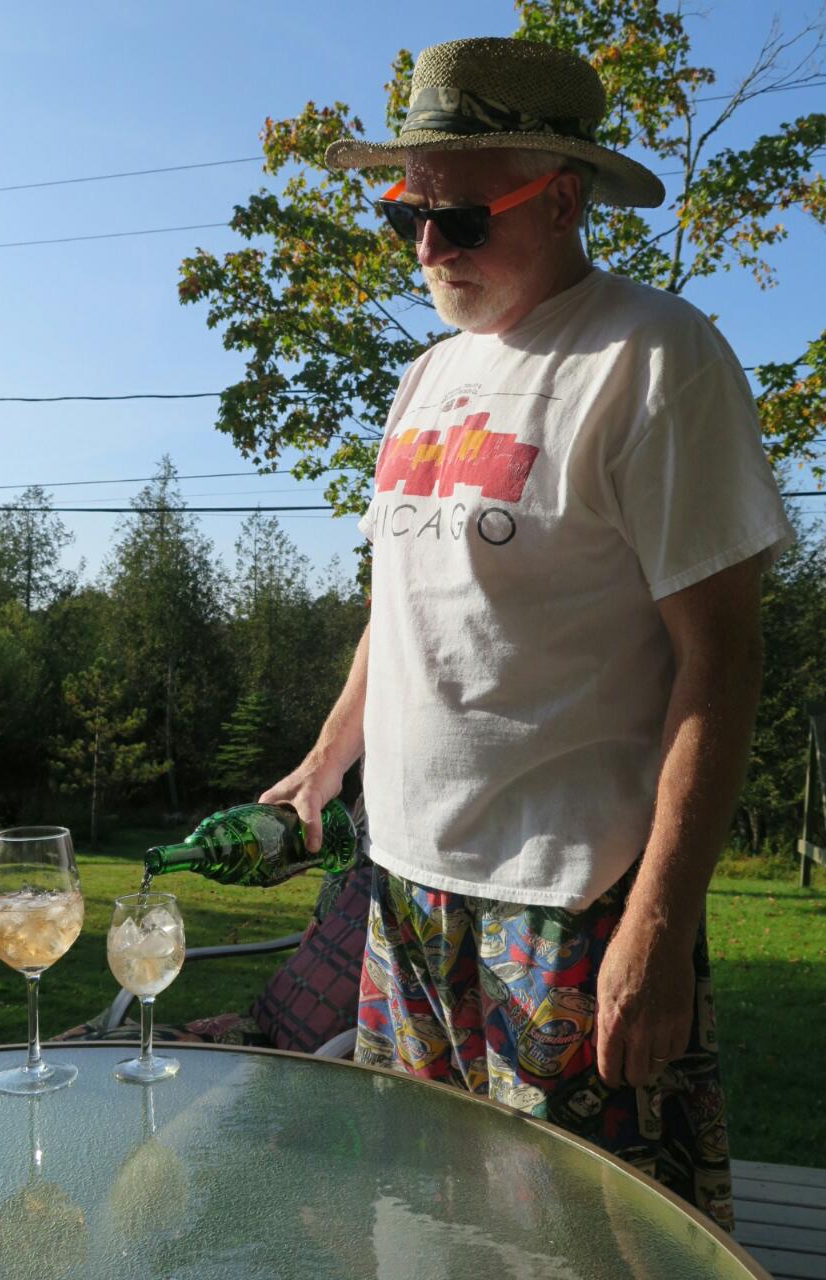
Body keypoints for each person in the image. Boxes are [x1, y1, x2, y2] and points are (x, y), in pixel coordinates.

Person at [260, 36, 794, 1229]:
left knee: (585, 1242)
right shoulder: (425, 378)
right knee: (419, 1224)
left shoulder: (653, 356)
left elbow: (722, 658)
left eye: (459, 220)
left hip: (571, 902)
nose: (426, 249)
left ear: (561, 200)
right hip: (405, 889)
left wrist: (660, 924)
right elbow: (401, 605)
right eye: (408, 216)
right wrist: (329, 756)